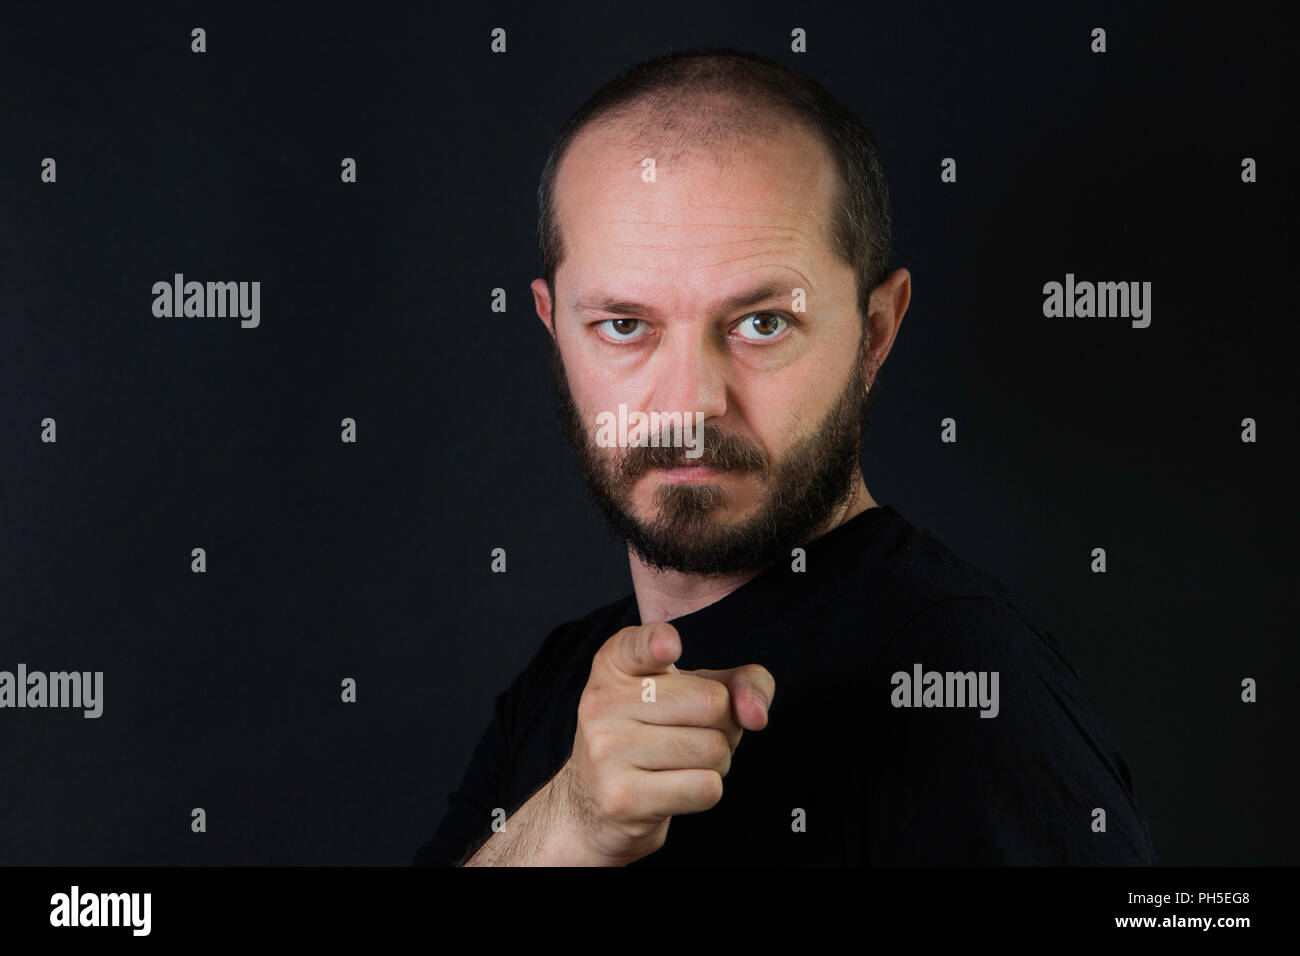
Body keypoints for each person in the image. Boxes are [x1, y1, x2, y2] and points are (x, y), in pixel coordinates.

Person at [414, 47, 1157, 866]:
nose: (691, 405)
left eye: (762, 322)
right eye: (625, 325)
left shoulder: (965, 681)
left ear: (875, 331)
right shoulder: (564, 679)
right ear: (554, 330)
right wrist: (568, 824)